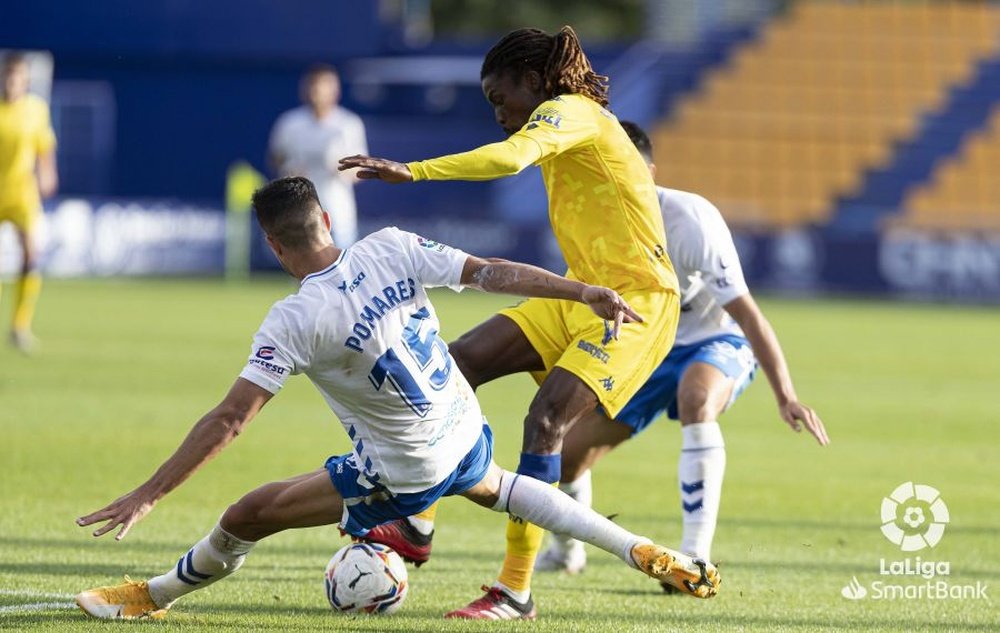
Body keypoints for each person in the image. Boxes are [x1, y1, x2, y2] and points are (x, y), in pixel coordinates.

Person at [73, 177, 720, 621]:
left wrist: (150, 492)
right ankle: (635, 546)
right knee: (497, 483)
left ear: (275, 246)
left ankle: (153, 595)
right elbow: (492, 272)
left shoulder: (293, 319)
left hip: (407, 469)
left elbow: (231, 418)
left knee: (249, 512)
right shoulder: (391, 246)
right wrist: (582, 291)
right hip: (465, 427)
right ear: (326, 219)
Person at [339, 26, 681, 619]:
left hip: (637, 304)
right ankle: (417, 523)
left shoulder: (574, 112)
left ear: (533, 79)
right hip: (583, 293)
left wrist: (414, 171)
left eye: (501, 98)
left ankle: (514, 592)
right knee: (453, 366)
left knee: (546, 418)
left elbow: (509, 158)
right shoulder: (564, 120)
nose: (499, 114)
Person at [269, 64, 367, 247]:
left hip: (338, 211)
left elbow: (360, 171)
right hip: (300, 210)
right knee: (305, 269)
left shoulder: (348, 124)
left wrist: (339, 169)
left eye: (323, 86)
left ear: (335, 90)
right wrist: (289, 172)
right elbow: (276, 158)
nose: (317, 92)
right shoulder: (289, 123)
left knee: (341, 267)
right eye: (313, 86)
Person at [0, 53, 57, 352]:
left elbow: (44, 146)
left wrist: (48, 174)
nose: (12, 81)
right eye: (8, 75)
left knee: (29, 255)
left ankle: (20, 326)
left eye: (18, 75)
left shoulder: (36, 110)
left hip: (22, 192)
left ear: (25, 80)